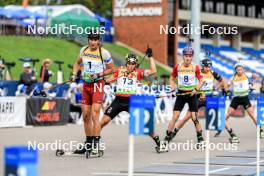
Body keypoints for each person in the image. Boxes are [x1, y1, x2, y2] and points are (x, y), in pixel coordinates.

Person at [99, 49, 162, 152]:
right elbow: (109, 80)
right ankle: (92, 142)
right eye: (129, 63)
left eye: (133, 64)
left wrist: (150, 57)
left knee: (143, 124)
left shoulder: (138, 73)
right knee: (103, 121)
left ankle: (159, 142)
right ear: (126, 63)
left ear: (136, 64)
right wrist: (105, 82)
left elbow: (153, 71)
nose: (131, 65)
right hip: (118, 100)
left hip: (132, 101)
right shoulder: (120, 70)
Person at [71, 32, 114, 154]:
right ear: (88, 40)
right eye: (91, 39)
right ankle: (88, 143)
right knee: (85, 116)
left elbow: (112, 69)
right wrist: (74, 74)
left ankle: (96, 144)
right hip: (86, 85)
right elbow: (77, 63)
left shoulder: (104, 53)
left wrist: (98, 74)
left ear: (99, 41)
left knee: (95, 114)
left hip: (98, 85)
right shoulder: (83, 49)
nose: (93, 42)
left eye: (95, 40)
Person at [171, 58, 229, 140]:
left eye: (209, 67)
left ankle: (230, 132)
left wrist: (216, 88)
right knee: (187, 116)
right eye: (206, 67)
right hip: (198, 97)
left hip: (209, 97)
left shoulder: (213, 73)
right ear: (202, 66)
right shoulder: (197, 71)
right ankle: (174, 131)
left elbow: (222, 80)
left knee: (218, 114)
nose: (208, 69)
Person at [163, 44, 205, 145]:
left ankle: (200, 138)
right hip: (181, 94)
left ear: (192, 57)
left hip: (192, 95)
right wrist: (172, 88)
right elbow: (172, 78)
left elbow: (202, 80)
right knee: (175, 117)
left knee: (194, 118)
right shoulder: (178, 66)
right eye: (186, 56)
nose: (188, 58)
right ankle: (167, 136)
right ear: (183, 56)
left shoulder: (195, 67)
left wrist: (196, 89)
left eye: (190, 56)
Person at [223, 62, 264, 143]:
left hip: (245, 98)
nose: (240, 71)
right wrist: (227, 92)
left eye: (241, 69)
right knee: (226, 116)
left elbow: (257, 76)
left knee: (252, 115)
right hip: (236, 99)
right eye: (238, 70)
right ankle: (230, 131)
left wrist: (252, 84)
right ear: (235, 70)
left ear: (243, 69)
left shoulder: (247, 74)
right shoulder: (232, 78)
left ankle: (260, 130)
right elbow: (227, 86)